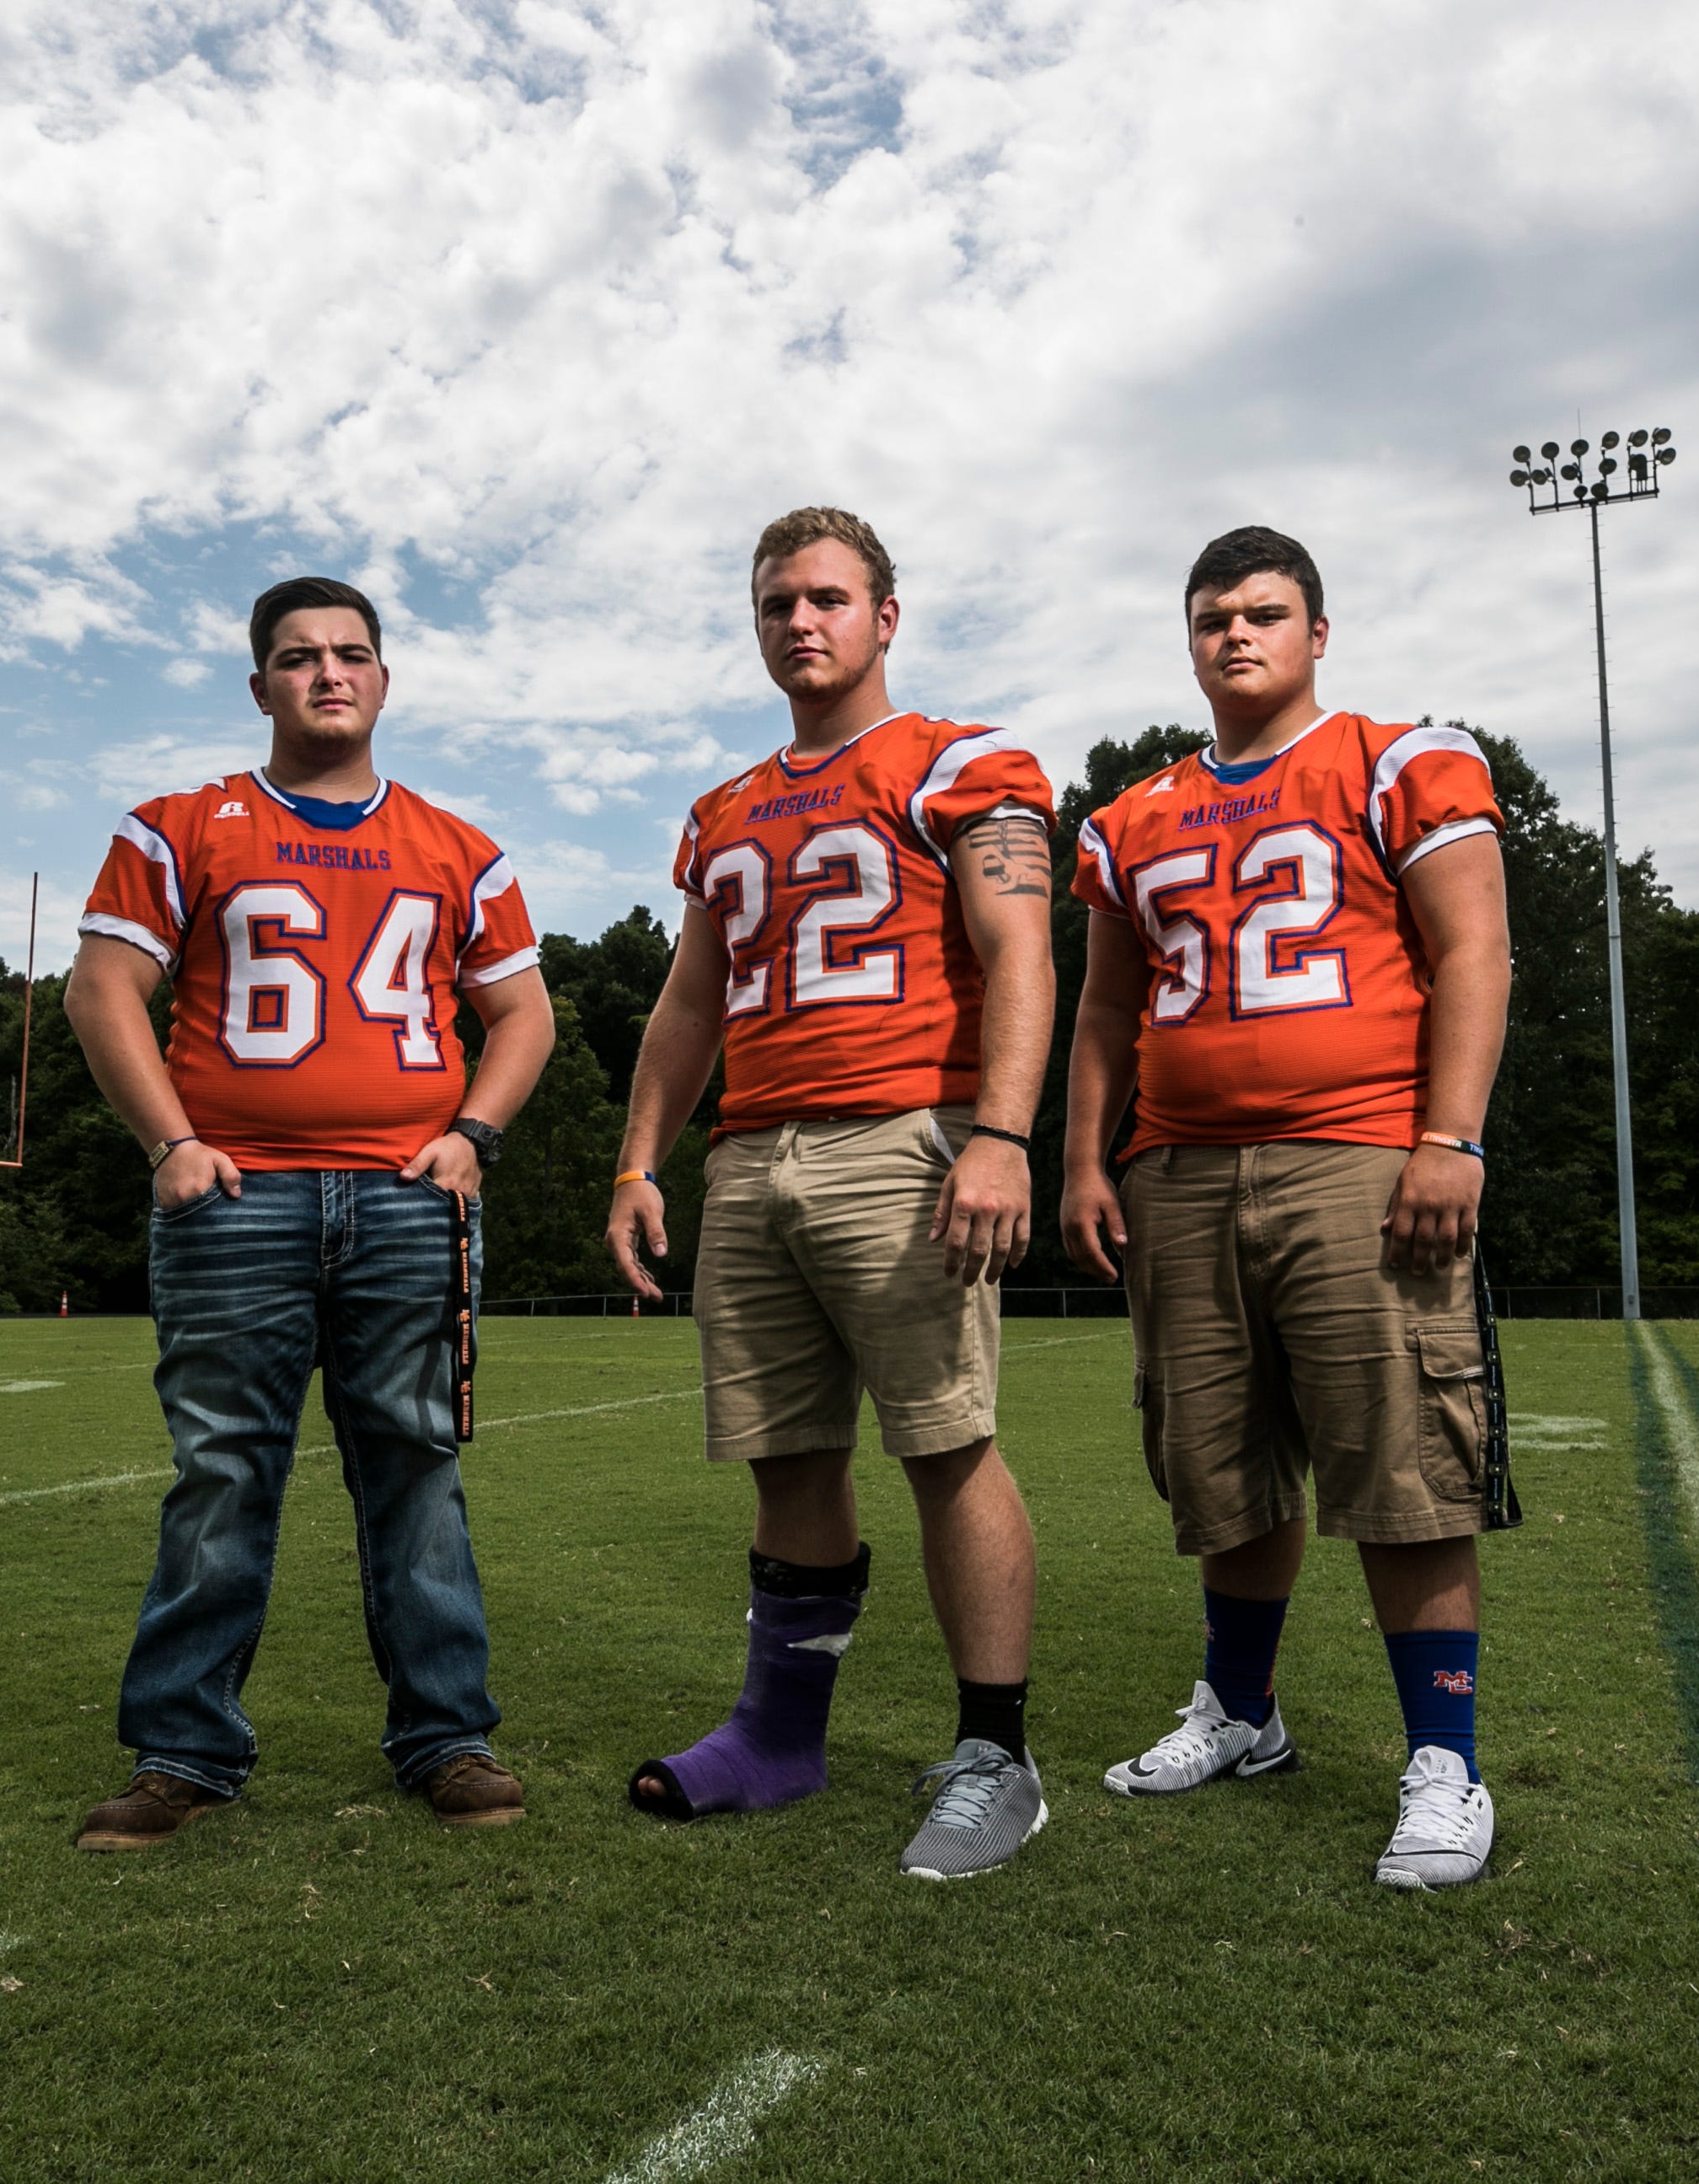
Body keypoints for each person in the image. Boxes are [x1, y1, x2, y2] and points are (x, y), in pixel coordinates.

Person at [1059, 525, 1517, 1892]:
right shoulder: (1131, 817)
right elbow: (1103, 1008)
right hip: (1181, 1170)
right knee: (1218, 1464)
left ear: (1318, 632)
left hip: (1356, 1156)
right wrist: (1085, 1159)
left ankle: (1444, 1758)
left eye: (1264, 613)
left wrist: (1450, 1138)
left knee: (1400, 1461)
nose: (1235, 636)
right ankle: (1243, 1715)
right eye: (1212, 619)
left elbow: (1473, 950)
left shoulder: (1397, 763)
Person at [65, 575, 556, 1849]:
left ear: (383, 679)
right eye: (297, 658)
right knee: (222, 1474)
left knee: (416, 1472)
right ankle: (182, 1749)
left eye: (350, 654)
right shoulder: (182, 825)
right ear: (260, 686)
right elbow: (103, 990)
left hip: (404, 1196)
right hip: (236, 1196)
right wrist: (169, 1141)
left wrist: (472, 1138)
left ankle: (446, 1735)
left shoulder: (458, 845)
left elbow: (524, 1015)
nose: (326, 674)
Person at [606, 507, 1058, 1881]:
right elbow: (691, 1000)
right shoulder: (724, 808)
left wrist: (1000, 1134)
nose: (798, 622)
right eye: (774, 604)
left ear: (883, 616)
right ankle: (778, 1736)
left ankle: (997, 1758)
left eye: (824, 598)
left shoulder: (954, 761)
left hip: (899, 1137)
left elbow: (1019, 948)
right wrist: (638, 1158)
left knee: (943, 1442)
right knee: (786, 1456)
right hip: (754, 1152)